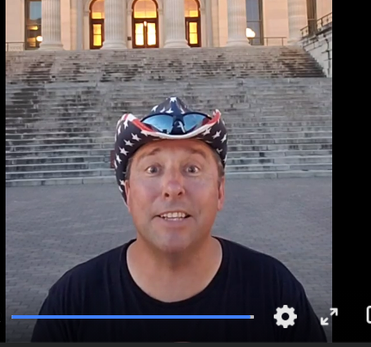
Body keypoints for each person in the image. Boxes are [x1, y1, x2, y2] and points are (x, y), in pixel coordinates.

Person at [30, 97, 327, 342]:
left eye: (193, 169)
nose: (173, 187)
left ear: (220, 191)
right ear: (128, 193)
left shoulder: (275, 292)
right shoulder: (72, 304)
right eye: (153, 169)